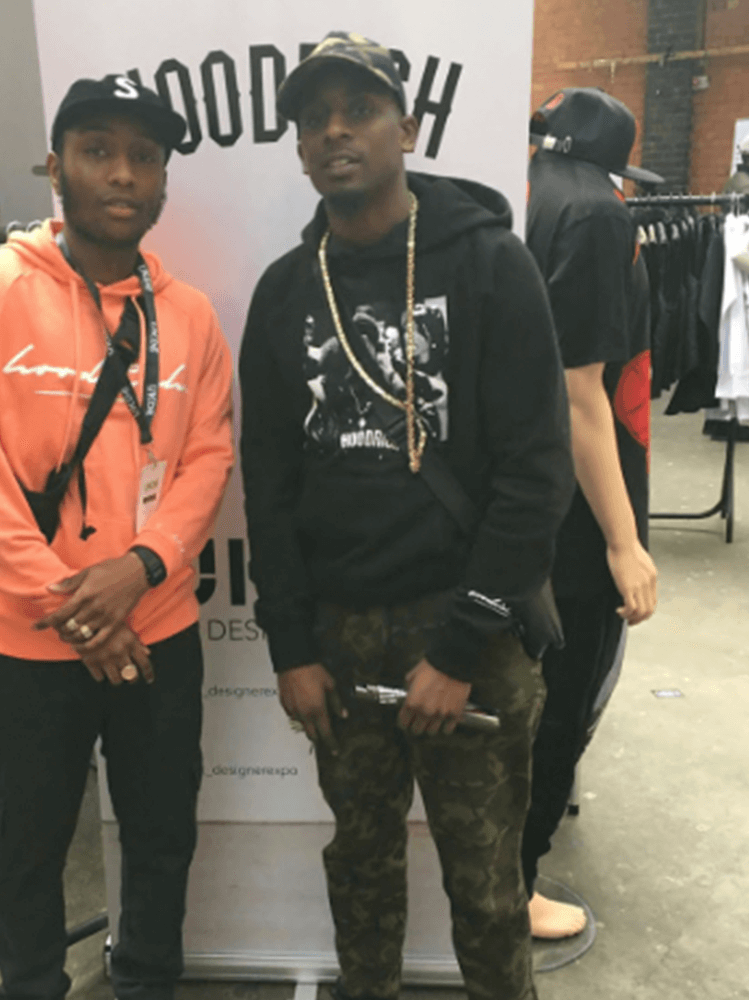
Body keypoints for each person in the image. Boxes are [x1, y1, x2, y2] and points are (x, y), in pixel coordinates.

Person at [239, 32, 574, 1000]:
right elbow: (268, 482)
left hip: (469, 626)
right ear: (300, 148)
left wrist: (460, 647)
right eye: (314, 119)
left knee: (488, 885)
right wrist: (290, 644)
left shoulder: (492, 264)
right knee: (360, 866)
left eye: (360, 109)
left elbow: (535, 473)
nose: (335, 132)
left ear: (408, 128)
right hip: (337, 636)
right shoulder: (284, 291)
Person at [0, 75, 233, 1000]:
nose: (122, 174)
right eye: (98, 151)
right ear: (55, 167)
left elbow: (208, 457)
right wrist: (78, 611)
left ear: (163, 179)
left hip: (159, 630)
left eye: (144, 157)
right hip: (30, 642)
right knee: (23, 844)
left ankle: (147, 979)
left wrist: (142, 567)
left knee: (162, 829)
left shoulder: (192, 316)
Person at [524, 88, 659, 938]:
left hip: (528, 492)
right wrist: (624, 540)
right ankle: (516, 881)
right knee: (566, 694)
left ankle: (508, 868)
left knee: (534, 688)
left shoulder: (524, 196)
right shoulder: (598, 216)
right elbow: (584, 396)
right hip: (580, 507)